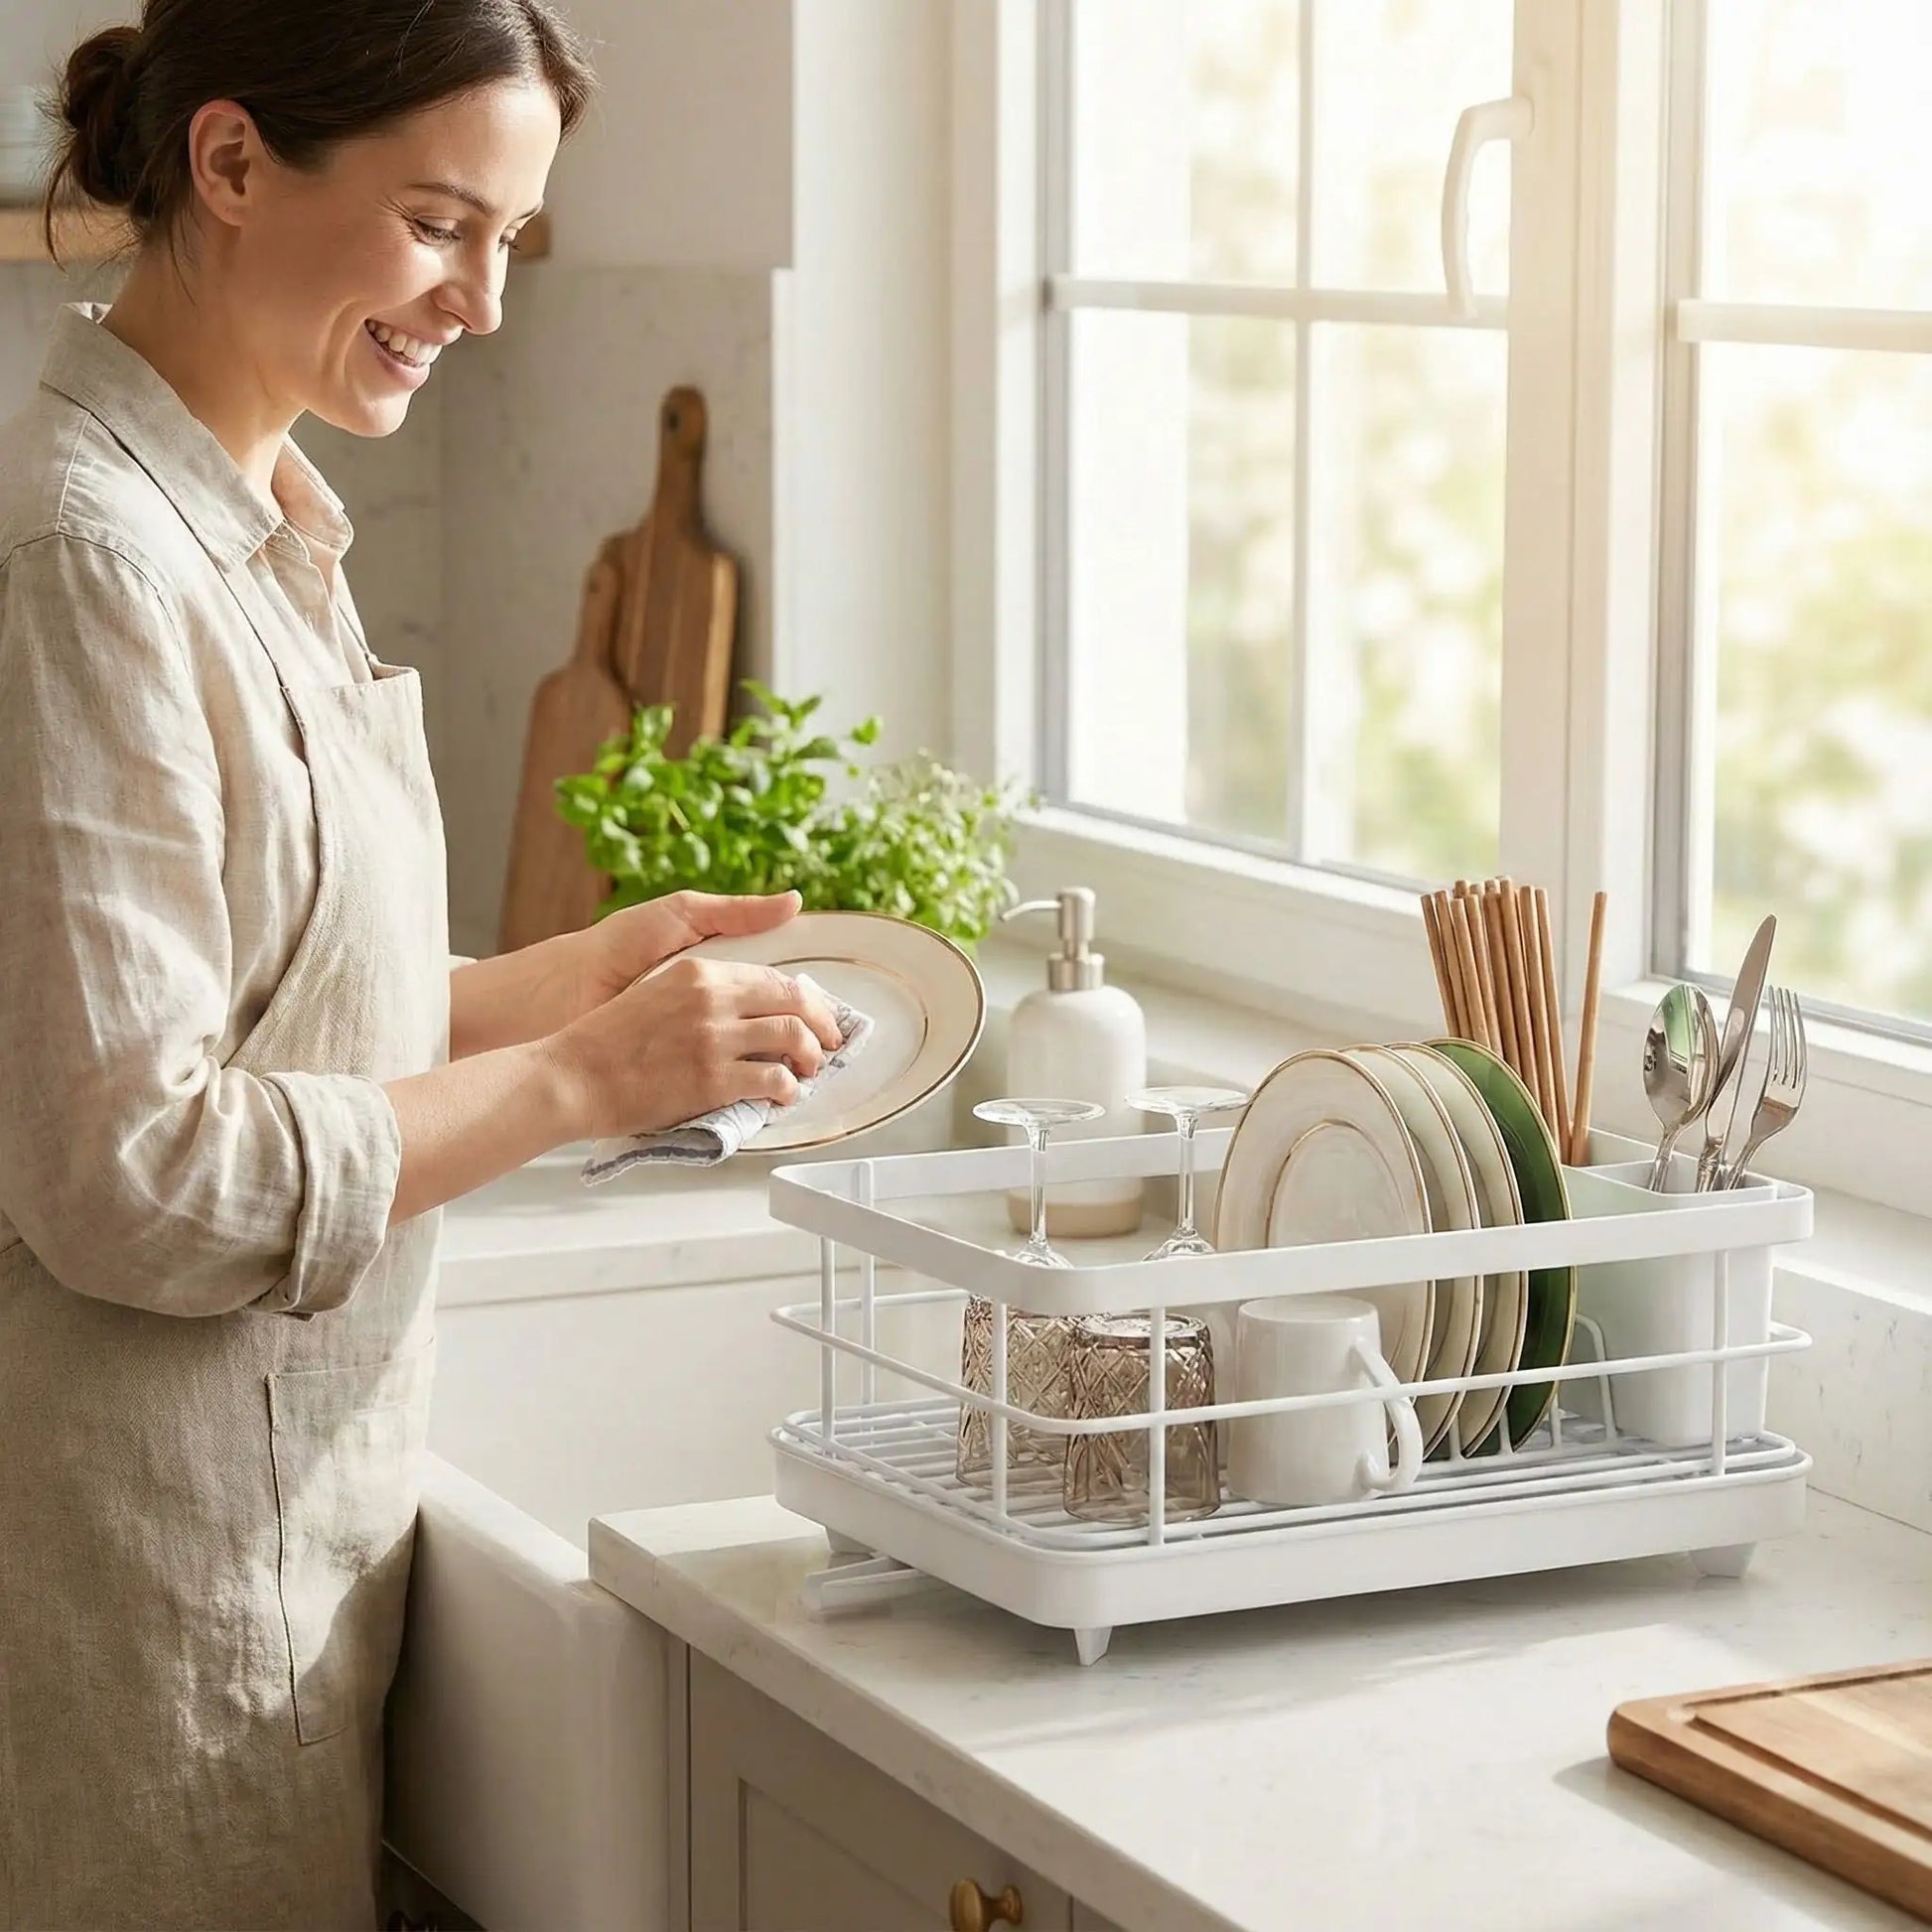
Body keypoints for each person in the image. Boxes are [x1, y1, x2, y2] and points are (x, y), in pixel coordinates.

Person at [0, 4, 842, 1925]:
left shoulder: (258, 511)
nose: (482, 300)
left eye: (510, 242)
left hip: (271, 1558)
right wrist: (586, 1082)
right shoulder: (92, 566)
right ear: (227, 166)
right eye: (439, 225)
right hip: (148, 1611)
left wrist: (578, 978)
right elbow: (128, 1173)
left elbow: (276, 1001)